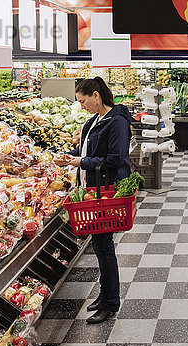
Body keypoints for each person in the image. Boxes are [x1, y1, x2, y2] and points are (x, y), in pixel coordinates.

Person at [54, 76, 132, 324]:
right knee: (100, 246)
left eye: (83, 100)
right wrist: (69, 157)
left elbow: (116, 159)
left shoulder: (117, 122)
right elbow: (86, 152)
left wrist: (82, 162)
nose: (81, 106)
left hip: (107, 191)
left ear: (96, 95)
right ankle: (105, 294)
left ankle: (110, 302)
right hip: (92, 189)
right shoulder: (92, 123)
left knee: (104, 246)